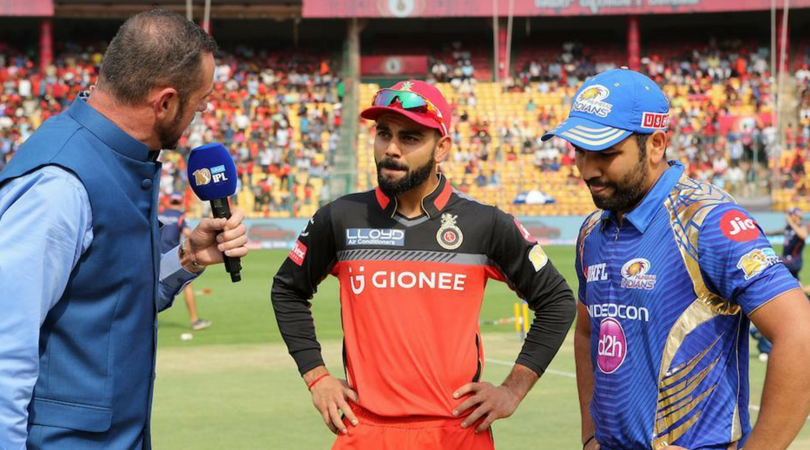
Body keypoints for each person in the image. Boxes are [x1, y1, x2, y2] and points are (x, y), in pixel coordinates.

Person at [272, 80, 576, 450]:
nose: (391, 149)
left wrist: (513, 389)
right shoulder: (341, 217)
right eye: (384, 133)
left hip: (457, 433)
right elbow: (288, 289)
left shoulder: (484, 223)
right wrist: (317, 376)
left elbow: (557, 301)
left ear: (442, 147)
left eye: (410, 138)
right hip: (364, 431)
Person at [0, 10, 249, 450]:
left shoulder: (117, 157)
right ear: (165, 102)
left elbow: (112, 299)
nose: (203, 111)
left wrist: (188, 257)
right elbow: (5, 354)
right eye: (201, 100)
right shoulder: (60, 185)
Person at [542, 68, 810, 450]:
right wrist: (590, 435)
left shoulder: (707, 222)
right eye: (579, 151)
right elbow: (589, 332)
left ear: (655, 145)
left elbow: (800, 334)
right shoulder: (591, 232)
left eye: (605, 153)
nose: (586, 170)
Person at [159, 193, 212, 331]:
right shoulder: (180, 216)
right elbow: (188, 233)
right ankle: (194, 320)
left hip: (155, 256)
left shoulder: (160, 214)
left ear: (170, 201)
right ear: (181, 202)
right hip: (173, 259)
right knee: (187, 285)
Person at [766, 207, 807, 279]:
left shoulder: (802, 227)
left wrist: (790, 222)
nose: (788, 217)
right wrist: (764, 232)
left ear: (797, 216)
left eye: (790, 215)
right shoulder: (788, 228)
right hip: (787, 259)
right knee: (797, 284)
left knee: (772, 261)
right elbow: (777, 232)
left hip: (794, 260)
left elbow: (803, 235)